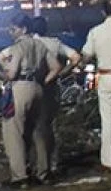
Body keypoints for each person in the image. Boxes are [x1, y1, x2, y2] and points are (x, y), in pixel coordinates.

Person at [0, 14, 61, 187]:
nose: (11, 32)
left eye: (13, 29)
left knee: (14, 133)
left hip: (20, 88)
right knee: (38, 132)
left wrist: (0, 72)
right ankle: (43, 171)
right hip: (38, 88)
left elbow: (12, 73)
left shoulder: (18, 47)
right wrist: (43, 81)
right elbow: (56, 67)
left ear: (23, 29)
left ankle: (20, 176)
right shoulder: (40, 45)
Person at [28, 15, 81, 181]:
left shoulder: (27, 44)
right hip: (50, 89)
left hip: (29, 88)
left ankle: (35, 165)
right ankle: (50, 163)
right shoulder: (54, 43)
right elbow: (75, 57)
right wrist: (62, 72)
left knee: (31, 128)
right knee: (48, 126)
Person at [80, 0, 111, 171]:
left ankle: (109, 161)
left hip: (106, 77)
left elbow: (85, 56)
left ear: (103, 13)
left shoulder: (95, 31)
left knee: (108, 122)